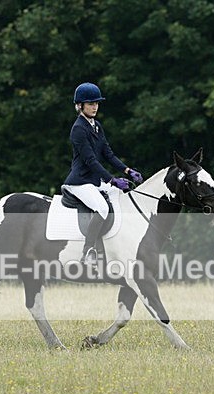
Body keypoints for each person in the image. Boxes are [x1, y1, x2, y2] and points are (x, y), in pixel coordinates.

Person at [63, 82, 143, 264]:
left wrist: (128, 170)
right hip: (79, 182)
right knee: (103, 208)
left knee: (123, 196)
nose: (94, 107)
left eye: (96, 103)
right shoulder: (78, 129)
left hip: (93, 181)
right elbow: (91, 161)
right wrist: (112, 180)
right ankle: (88, 251)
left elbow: (108, 154)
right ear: (80, 106)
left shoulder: (96, 126)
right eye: (90, 103)